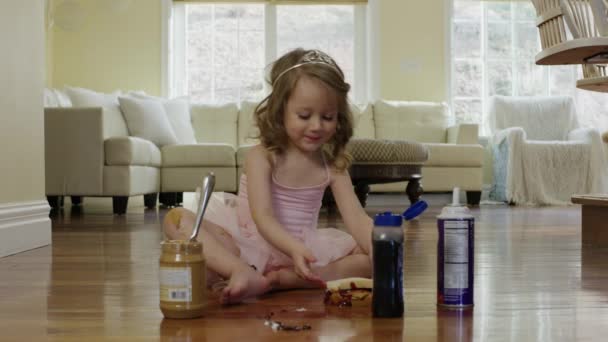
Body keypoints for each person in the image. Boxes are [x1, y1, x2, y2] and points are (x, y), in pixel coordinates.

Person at [163, 48, 373, 305]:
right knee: (176, 220)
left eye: (327, 117)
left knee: (367, 261)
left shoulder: (333, 166)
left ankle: (288, 279)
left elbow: (357, 218)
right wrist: (291, 248)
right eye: (304, 116)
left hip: (303, 251)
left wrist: (382, 247)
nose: (317, 125)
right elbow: (263, 216)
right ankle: (239, 271)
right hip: (246, 244)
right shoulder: (262, 156)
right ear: (280, 110)